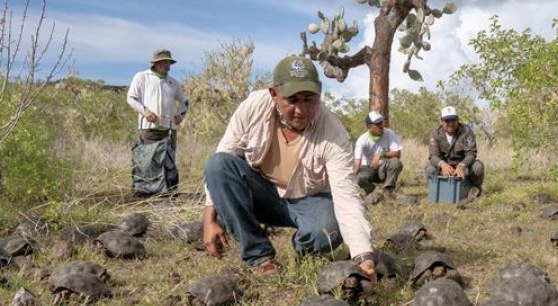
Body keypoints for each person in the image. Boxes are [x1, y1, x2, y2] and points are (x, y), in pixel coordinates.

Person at [202, 55, 376, 279]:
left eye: (309, 99)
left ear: (320, 92)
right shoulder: (253, 107)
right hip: (262, 192)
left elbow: (347, 196)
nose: (301, 110)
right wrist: (209, 220)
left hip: (309, 200)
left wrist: (364, 257)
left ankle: (305, 249)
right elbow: (223, 159)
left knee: (327, 232)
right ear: (274, 94)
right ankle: (260, 257)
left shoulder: (333, 132)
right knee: (218, 164)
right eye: (292, 100)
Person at [126, 49, 189, 196]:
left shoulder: (173, 83)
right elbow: (131, 98)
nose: (167, 65)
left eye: (168, 62)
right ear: (156, 63)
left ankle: (170, 192)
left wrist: (181, 115)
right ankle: (143, 192)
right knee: (146, 160)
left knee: (169, 161)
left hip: (169, 129)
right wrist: (145, 112)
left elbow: (185, 101)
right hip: (149, 128)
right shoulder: (142, 77)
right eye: (163, 62)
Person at [425, 105, 484, 200]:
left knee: (478, 166)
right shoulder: (435, 134)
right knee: (429, 169)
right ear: (441, 121)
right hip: (444, 167)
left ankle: (475, 190)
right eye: (447, 121)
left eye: (453, 120)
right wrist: (442, 165)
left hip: (463, 166)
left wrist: (462, 165)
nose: (450, 123)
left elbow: (471, 153)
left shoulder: (467, 131)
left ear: (457, 120)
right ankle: (438, 190)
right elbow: (433, 156)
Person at [352, 110, 404, 195]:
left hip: (383, 169)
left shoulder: (389, 133)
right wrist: (350, 181)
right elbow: (357, 166)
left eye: (381, 122)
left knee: (396, 162)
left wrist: (380, 154)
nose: (381, 126)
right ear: (369, 127)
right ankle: (371, 191)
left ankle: (388, 191)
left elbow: (398, 154)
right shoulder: (362, 140)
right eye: (377, 124)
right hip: (368, 169)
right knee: (359, 178)